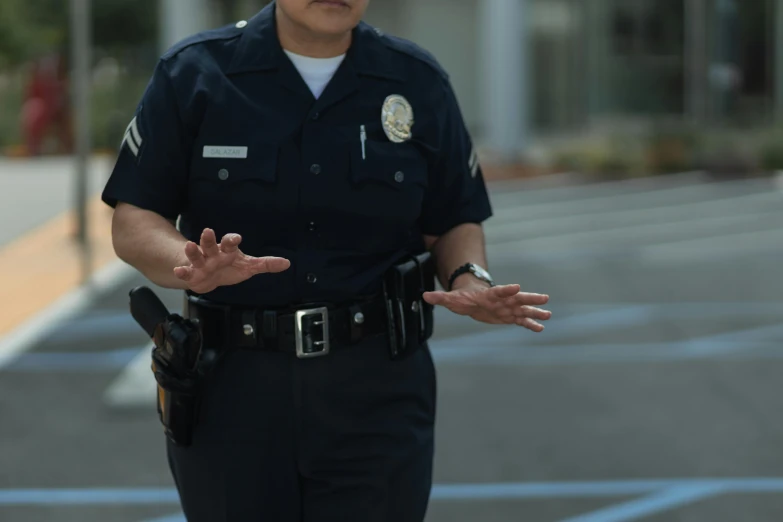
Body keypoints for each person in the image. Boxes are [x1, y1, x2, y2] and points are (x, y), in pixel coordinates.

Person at [102, 0, 552, 520]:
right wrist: (188, 261)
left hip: (376, 387)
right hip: (232, 389)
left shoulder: (417, 81)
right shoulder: (195, 74)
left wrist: (469, 276)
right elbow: (134, 219)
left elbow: (453, 217)